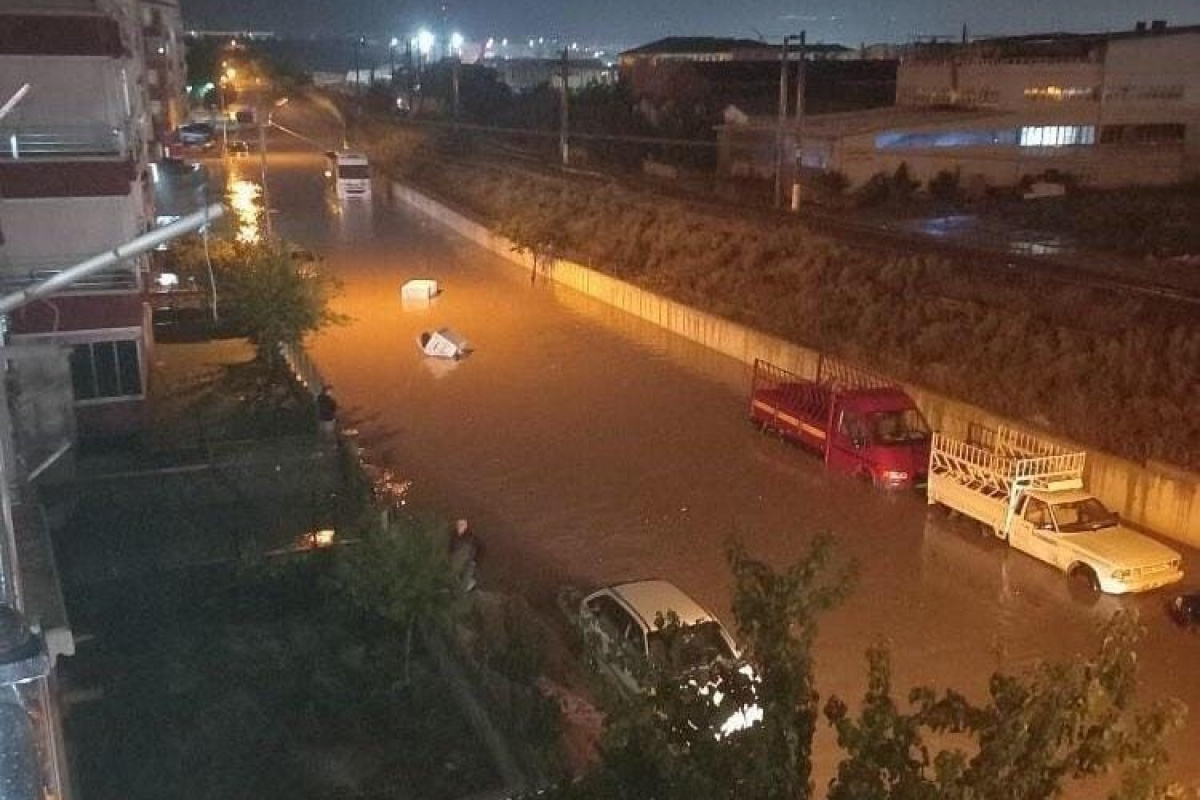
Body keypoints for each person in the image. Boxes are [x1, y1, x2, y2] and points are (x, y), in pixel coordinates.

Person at [449, 518, 481, 592]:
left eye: (462, 525)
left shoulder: (472, 537)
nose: (459, 526)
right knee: (454, 579)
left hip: (468, 562)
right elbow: (450, 548)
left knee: (464, 582)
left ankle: (469, 586)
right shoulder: (453, 535)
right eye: (458, 524)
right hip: (456, 561)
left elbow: (482, 548)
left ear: (466, 526)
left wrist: (475, 560)